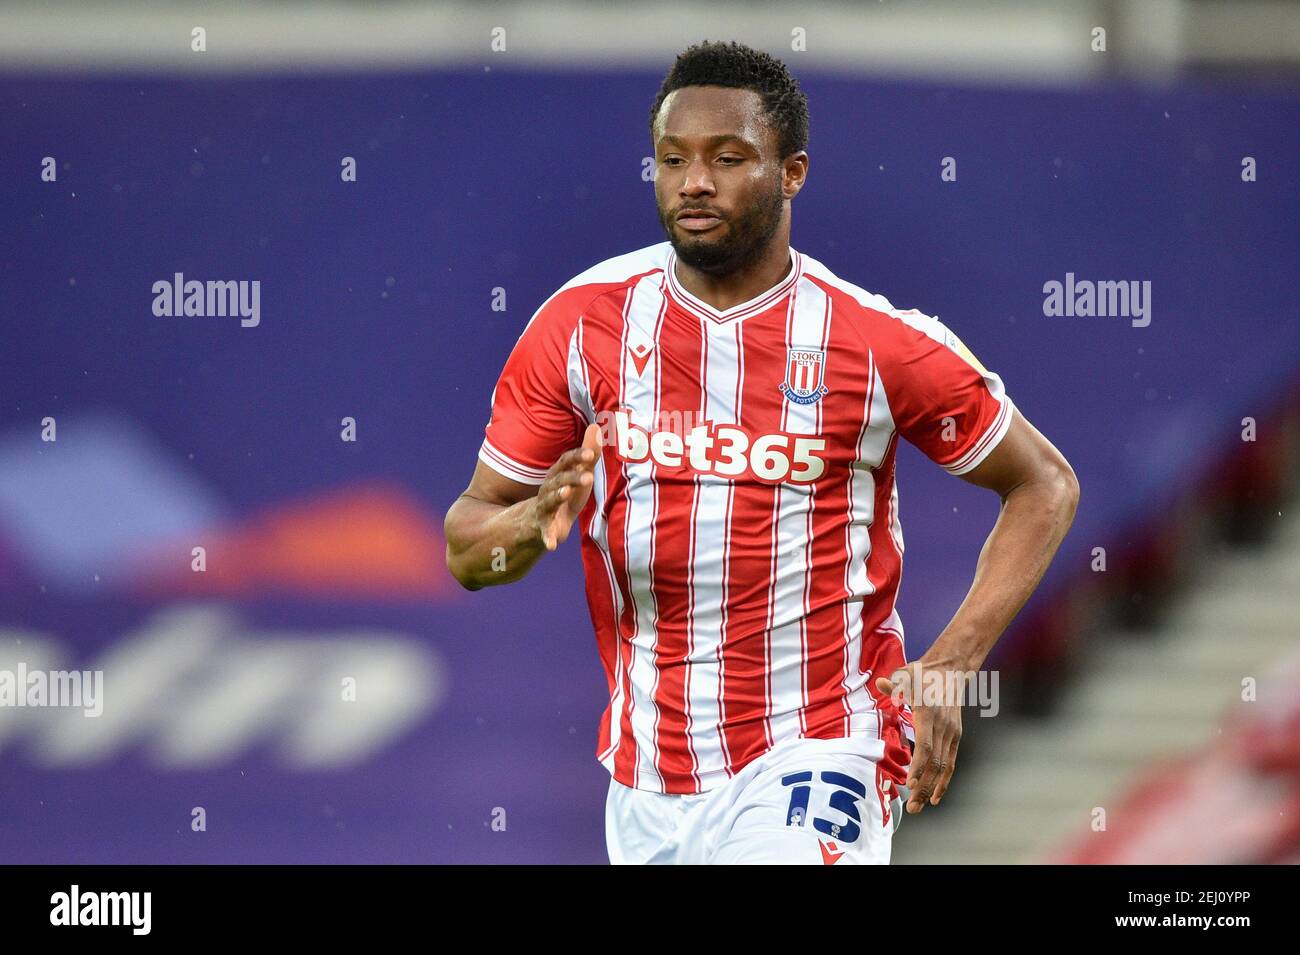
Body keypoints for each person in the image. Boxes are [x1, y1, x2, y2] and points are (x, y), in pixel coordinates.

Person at [444, 40, 1079, 864]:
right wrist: (532, 522)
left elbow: (1044, 484)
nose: (693, 181)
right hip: (647, 784)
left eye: (728, 157)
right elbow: (467, 550)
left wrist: (950, 663)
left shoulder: (876, 342)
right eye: (672, 159)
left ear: (793, 174)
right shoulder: (580, 325)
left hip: (820, 745)